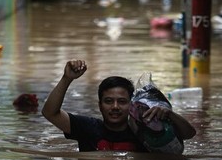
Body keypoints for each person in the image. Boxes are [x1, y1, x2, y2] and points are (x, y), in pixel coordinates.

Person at [42, 59, 196, 152]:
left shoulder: (145, 131)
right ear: (100, 105)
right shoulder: (87, 128)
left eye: (122, 102)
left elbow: (189, 134)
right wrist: (66, 78)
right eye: (108, 101)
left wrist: (169, 114)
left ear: (132, 105)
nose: (115, 107)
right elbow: (50, 113)